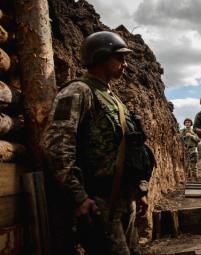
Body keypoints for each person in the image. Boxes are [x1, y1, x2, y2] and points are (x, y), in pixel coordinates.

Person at [41, 31, 149, 255]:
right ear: (100, 56)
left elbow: (129, 147)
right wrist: (78, 196)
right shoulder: (78, 91)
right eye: (119, 58)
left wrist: (139, 190)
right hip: (99, 201)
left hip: (123, 197)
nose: (125, 64)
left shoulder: (112, 97)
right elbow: (57, 146)